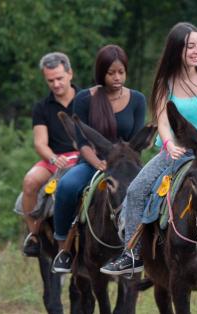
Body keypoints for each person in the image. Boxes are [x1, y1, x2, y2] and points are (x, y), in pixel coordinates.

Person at [100, 22, 197, 275]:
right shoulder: (165, 82)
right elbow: (161, 119)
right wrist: (169, 144)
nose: (196, 51)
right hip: (177, 151)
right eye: (189, 47)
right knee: (137, 191)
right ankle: (132, 254)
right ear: (176, 50)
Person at [51, 44, 146, 273]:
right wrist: (99, 164)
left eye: (121, 72)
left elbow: (137, 142)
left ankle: (149, 252)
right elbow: (81, 141)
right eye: (111, 73)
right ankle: (65, 248)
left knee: (156, 193)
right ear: (101, 72)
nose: (117, 77)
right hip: (93, 162)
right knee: (66, 186)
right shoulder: (85, 99)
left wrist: (122, 165)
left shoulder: (138, 100)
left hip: (127, 165)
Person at [21, 52, 80, 257]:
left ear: (70, 73)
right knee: (29, 181)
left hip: (83, 157)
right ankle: (34, 235)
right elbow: (40, 143)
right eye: (50, 80)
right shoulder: (42, 107)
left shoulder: (86, 100)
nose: (55, 84)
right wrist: (54, 158)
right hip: (55, 158)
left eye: (59, 78)